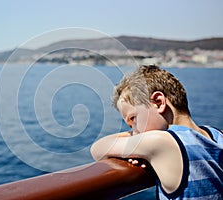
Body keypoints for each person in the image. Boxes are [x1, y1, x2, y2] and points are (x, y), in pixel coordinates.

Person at [90, 65, 223, 199]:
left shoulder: (161, 142)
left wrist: (134, 138)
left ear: (158, 102)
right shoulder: (217, 134)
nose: (134, 130)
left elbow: (97, 149)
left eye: (133, 119)